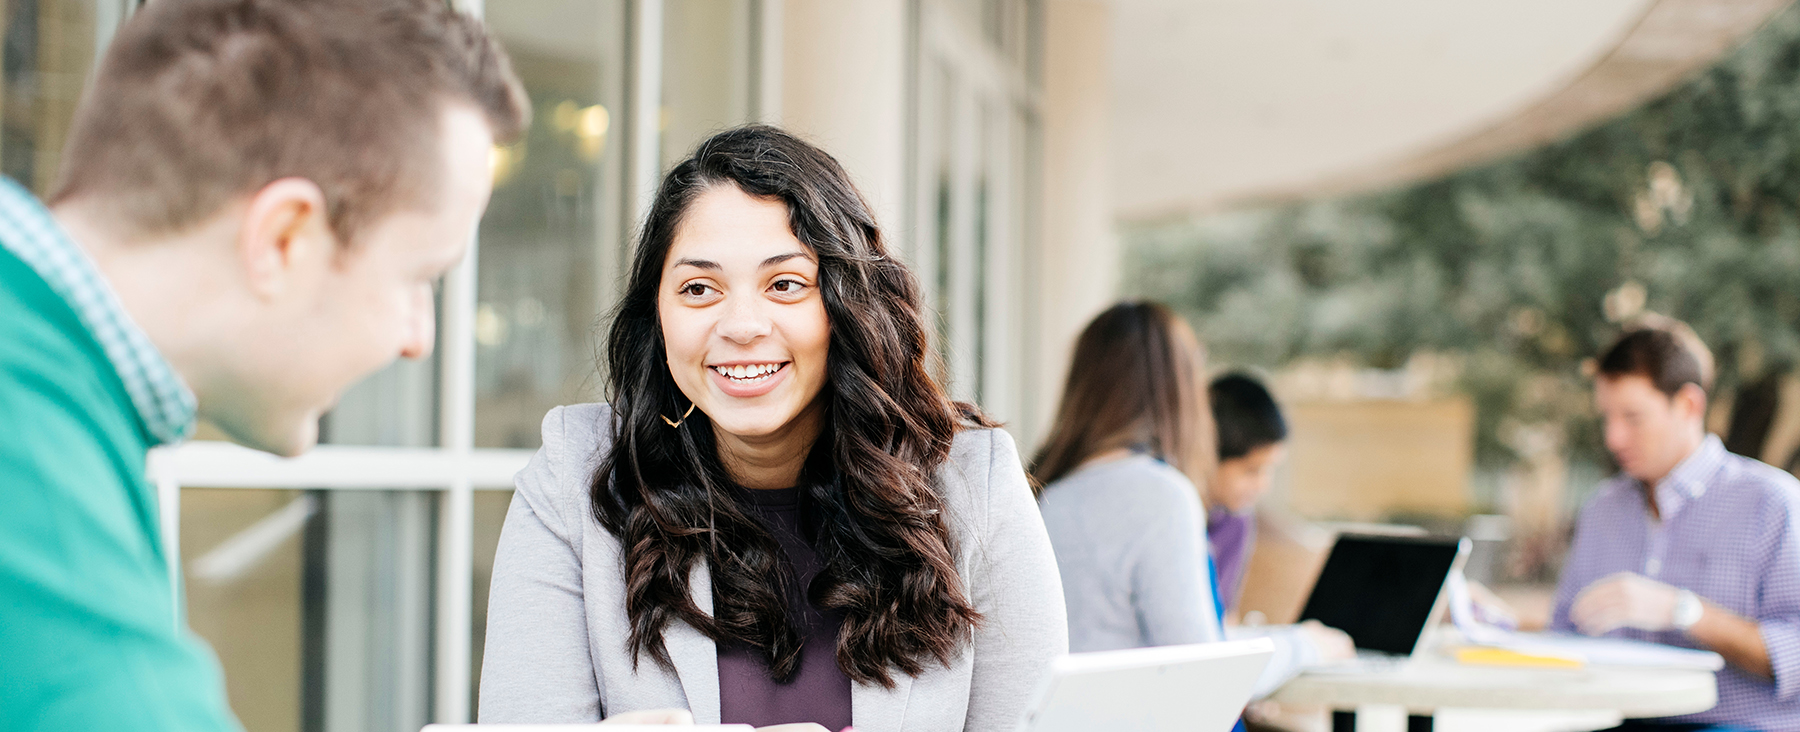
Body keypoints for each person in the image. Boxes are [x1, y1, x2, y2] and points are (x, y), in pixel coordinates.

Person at [0, 1, 529, 729]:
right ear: (283, 238)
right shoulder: (29, 462)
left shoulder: (56, 385)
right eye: (420, 278)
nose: (420, 338)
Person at [477, 125, 1067, 732]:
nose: (741, 325)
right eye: (699, 289)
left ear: (846, 303)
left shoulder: (975, 483)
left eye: (784, 285)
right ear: (657, 316)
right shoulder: (573, 481)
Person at [1032, 303, 1350, 704]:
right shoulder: (1159, 495)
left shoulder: (1043, 489)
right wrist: (1306, 646)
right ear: (1177, 386)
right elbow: (1207, 676)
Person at [1553, 324, 1800, 732]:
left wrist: (1685, 611)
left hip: (1742, 723)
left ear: (1688, 405)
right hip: (1630, 720)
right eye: (1607, 418)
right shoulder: (1603, 508)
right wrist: (1495, 623)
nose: (1614, 438)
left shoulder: (1773, 503)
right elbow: (1567, 627)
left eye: (1633, 417)